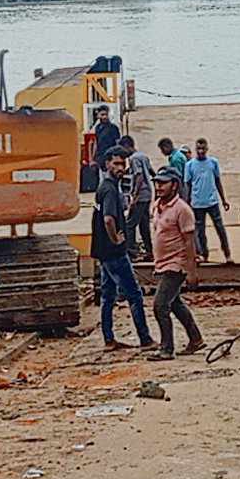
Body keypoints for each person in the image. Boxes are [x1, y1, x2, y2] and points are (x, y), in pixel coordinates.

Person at [91, 147, 154, 350]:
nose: (121, 168)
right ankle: (145, 339)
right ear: (107, 164)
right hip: (114, 252)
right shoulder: (110, 190)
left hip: (103, 252)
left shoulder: (105, 187)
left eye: (123, 164)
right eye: (116, 163)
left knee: (108, 295)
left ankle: (109, 339)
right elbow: (108, 219)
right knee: (134, 294)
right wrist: (116, 239)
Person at [147, 168, 204, 361]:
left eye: (163, 183)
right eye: (157, 183)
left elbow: (189, 242)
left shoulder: (182, 209)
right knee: (175, 304)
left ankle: (167, 348)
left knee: (160, 305)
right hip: (162, 264)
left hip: (176, 264)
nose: (159, 187)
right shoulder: (157, 206)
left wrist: (191, 272)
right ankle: (196, 339)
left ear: (174, 185)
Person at [182, 138, 230, 261]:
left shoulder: (213, 162)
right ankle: (204, 254)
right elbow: (188, 185)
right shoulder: (189, 165)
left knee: (220, 228)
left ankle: (227, 254)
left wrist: (224, 200)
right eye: (199, 149)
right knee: (200, 231)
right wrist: (186, 203)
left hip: (212, 202)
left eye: (203, 149)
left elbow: (218, 181)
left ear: (207, 149)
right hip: (197, 203)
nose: (201, 151)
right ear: (195, 149)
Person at [119, 136, 154, 259]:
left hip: (140, 195)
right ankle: (149, 251)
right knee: (144, 224)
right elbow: (151, 172)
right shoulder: (143, 156)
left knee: (130, 224)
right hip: (148, 194)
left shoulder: (134, 158)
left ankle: (131, 251)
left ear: (127, 146)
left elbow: (139, 176)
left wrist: (135, 195)